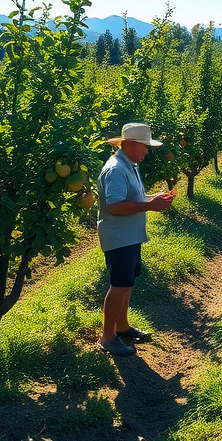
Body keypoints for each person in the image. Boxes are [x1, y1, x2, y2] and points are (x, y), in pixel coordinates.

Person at [98, 122, 174, 356]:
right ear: (131, 144)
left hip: (129, 236)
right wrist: (150, 206)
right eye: (145, 146)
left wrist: (152, 199)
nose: (147, 151)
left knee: (126, 285)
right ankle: (108, 337)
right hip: (119, 237)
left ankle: (122, 328)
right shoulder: (116, 169)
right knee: (119, 286)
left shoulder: (129, 166)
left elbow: (130, 196)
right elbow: (115, 206)